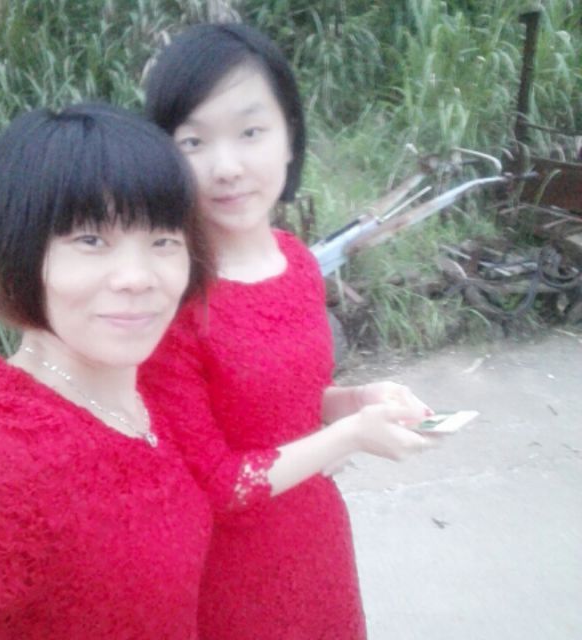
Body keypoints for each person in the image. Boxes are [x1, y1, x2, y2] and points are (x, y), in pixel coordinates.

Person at [141, 23, 438, 639]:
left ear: (289, 139)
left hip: (317, 538)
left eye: (250, 132)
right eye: (193, 141)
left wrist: (354, 401)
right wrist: (350, 436)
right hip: (231, 571)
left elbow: (284, 404)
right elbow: (219, 485)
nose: (226, 167)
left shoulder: (296, 260)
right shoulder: (168, 299)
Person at [0, 103, 213, 639]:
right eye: (91, 240)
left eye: (163, 240)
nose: (138, 277)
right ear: (16, 253)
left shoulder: (149, 396)